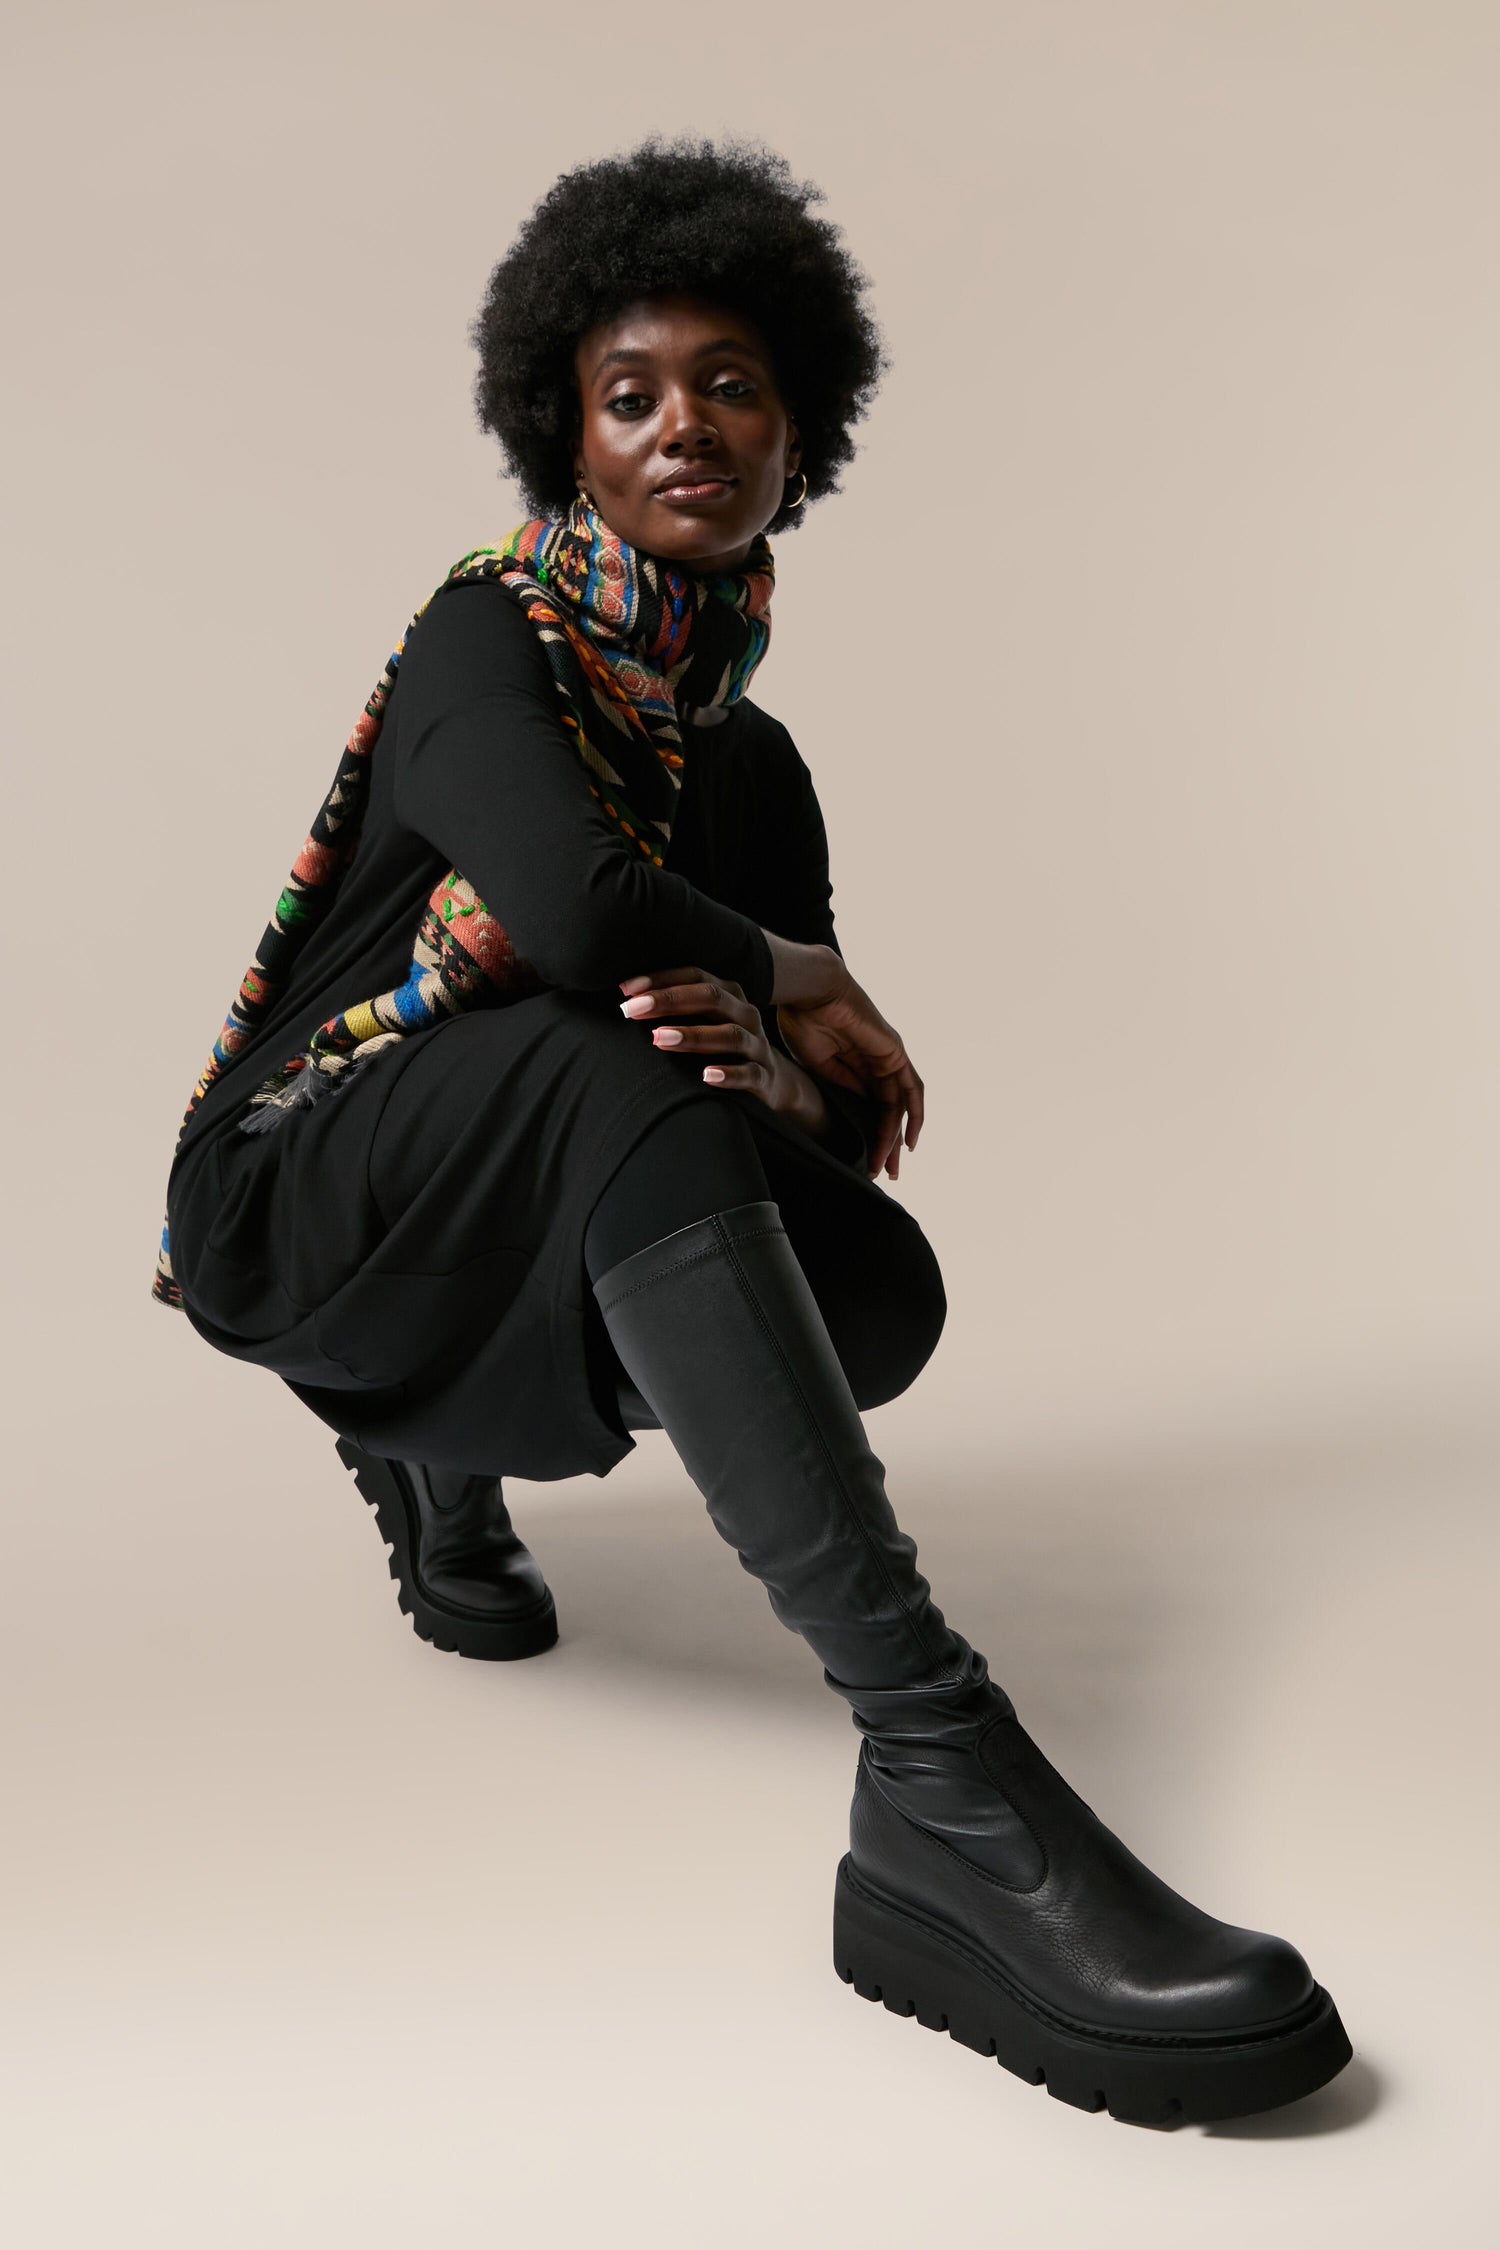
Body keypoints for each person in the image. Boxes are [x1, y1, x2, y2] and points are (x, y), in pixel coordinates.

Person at [151, 135, 1350, 2124]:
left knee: (832, 1262)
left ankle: (429, 1457)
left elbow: (805, 1102)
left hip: (524, 1173)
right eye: (631, 396)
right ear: (566, 434)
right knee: (613, 1053)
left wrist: (779, 1037)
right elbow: (574, 916)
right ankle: (940, 1779)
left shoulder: (753, 761)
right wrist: (779, 972)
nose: (684, 427)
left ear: (804, 432)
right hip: (309, 1169)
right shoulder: (487, 643)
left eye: (733, 386)